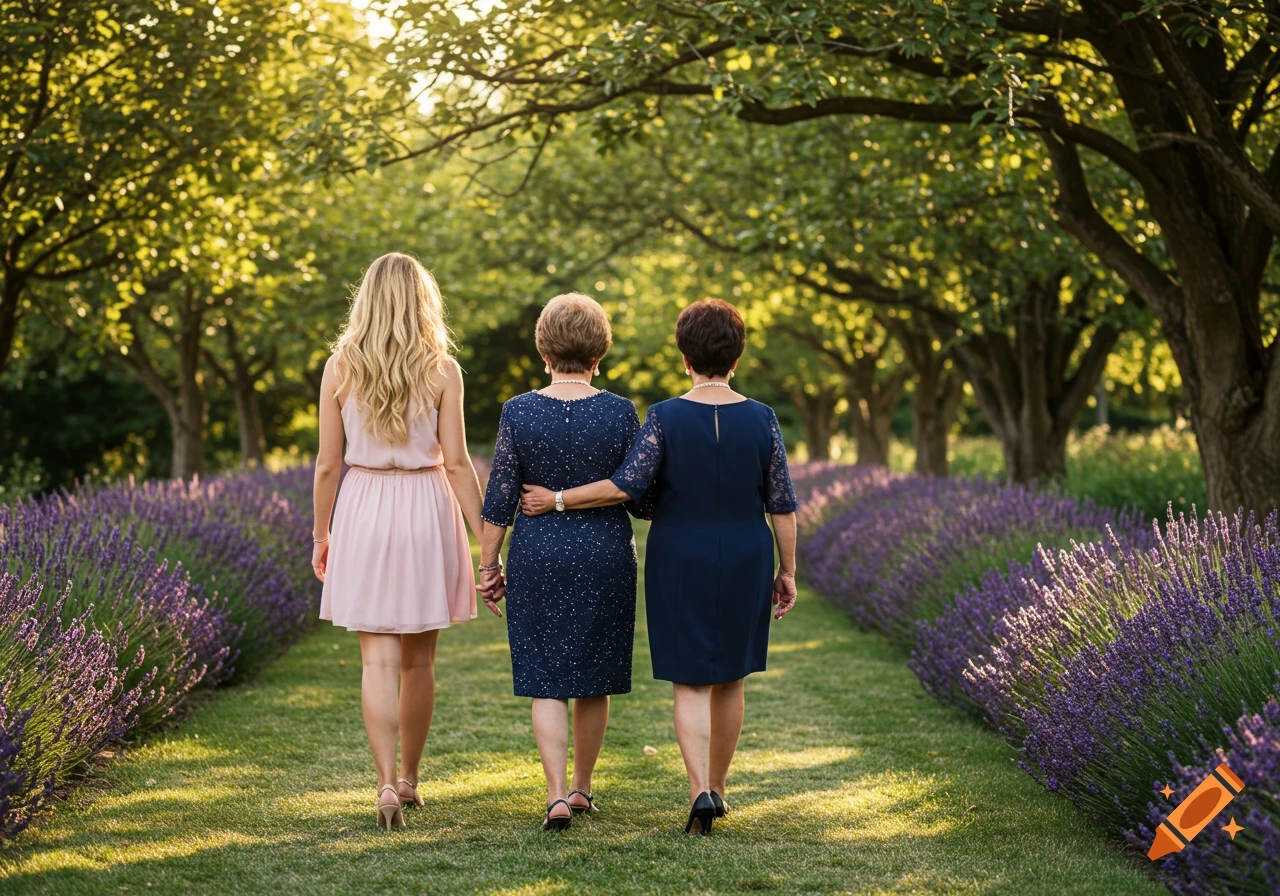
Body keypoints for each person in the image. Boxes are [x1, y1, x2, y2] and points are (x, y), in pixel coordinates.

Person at [521, 298, 799, 836]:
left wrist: (557, 498)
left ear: (684, 357)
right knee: (732, 678)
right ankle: (717, 786)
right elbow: (782, 503)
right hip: (746, 551)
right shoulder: (763, 419)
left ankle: (698, 789)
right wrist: (787, 569)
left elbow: (627, 485)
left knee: (690, 682)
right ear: (737, 356)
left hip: (679, 555)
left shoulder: (665, 417)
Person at [311, 253, 486, 831]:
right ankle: (410, 778)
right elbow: (458, 464)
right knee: (419, 660)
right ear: (422, 300)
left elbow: (326, 466)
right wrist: (488, 539)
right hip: (424, 505)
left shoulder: (340, 366)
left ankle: (384, 783)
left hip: (361, 505)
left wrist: (321, 532)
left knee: (376, 658)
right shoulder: (443, 369)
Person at [477, 293, 648, 832]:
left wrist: (488, 565)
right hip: (605, 555)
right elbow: (640, 496)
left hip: (538, 554)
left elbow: (498, 499)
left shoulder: (518, 410)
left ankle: (553, 795)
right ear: (599, 351)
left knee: (545, 676)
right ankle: (581, 790)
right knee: (594, 677)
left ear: (544, 349)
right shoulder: (620, 411)